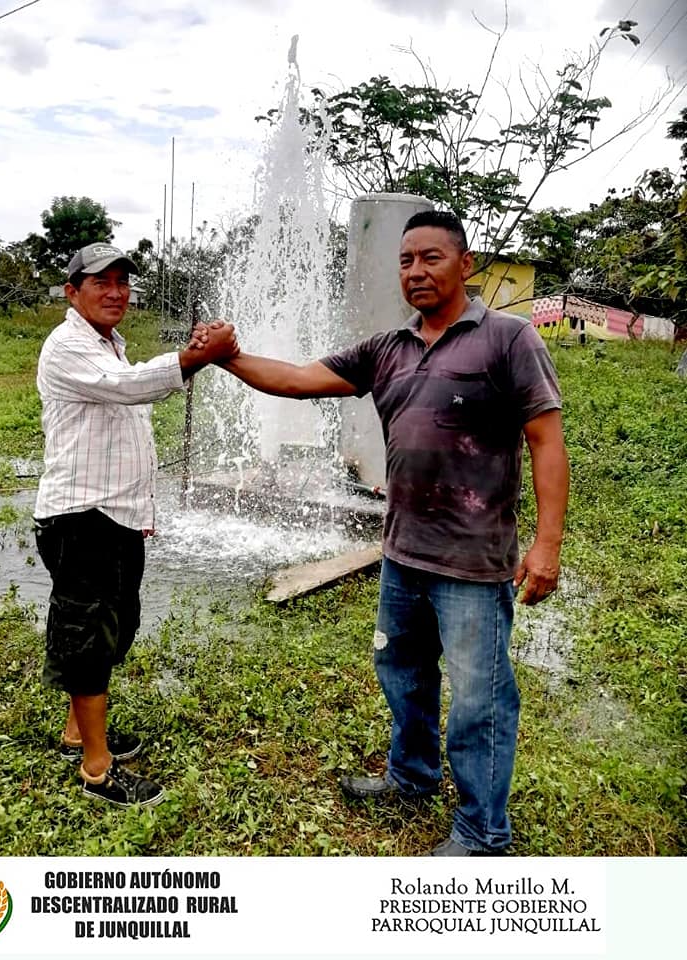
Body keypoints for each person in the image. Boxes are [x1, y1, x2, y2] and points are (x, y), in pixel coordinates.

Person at [198, 210, 569, 855]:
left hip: (474, 563)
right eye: (405, 261)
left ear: (465, 263)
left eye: (431, 257)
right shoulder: (387, 349)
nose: (416, 271)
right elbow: (299, 381)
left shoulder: (508, 340)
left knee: (479, 699)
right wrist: (228, 358)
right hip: (402, 553)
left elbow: (546, 440)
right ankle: (412, 777)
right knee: (403, 672)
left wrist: (547, 545)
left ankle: (483, 831)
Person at [34, 241, 238, 809]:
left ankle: (78, 733)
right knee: (88, 638)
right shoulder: (67, 345)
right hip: (82, 518)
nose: (116, 292)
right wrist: (194, 357)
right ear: (72, 291)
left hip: (114, 515)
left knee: (115, 628)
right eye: (101, 282)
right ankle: (96, 770)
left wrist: (192, 355)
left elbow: (130, 397)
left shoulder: (110, 345)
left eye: (122, 281)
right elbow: (128, 388)